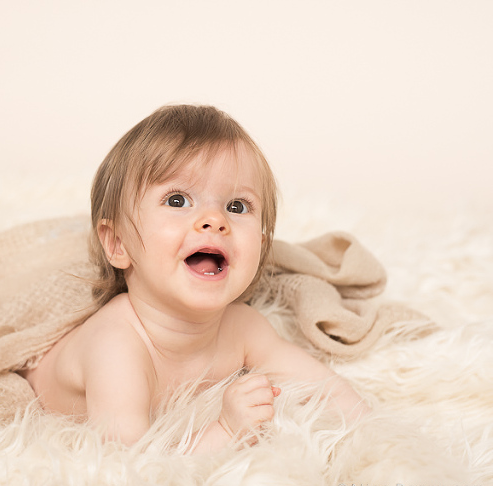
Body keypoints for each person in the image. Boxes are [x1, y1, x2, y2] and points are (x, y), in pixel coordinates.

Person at [21, 104, 368, 452]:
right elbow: (128, 466)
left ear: (262, 248)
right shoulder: (117, 346)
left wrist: (373, 436)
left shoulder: (243, 328)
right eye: (177, 199)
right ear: (118, 243)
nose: (214, 220)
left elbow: (327, 390)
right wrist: (227, 431)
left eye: (237, 206)